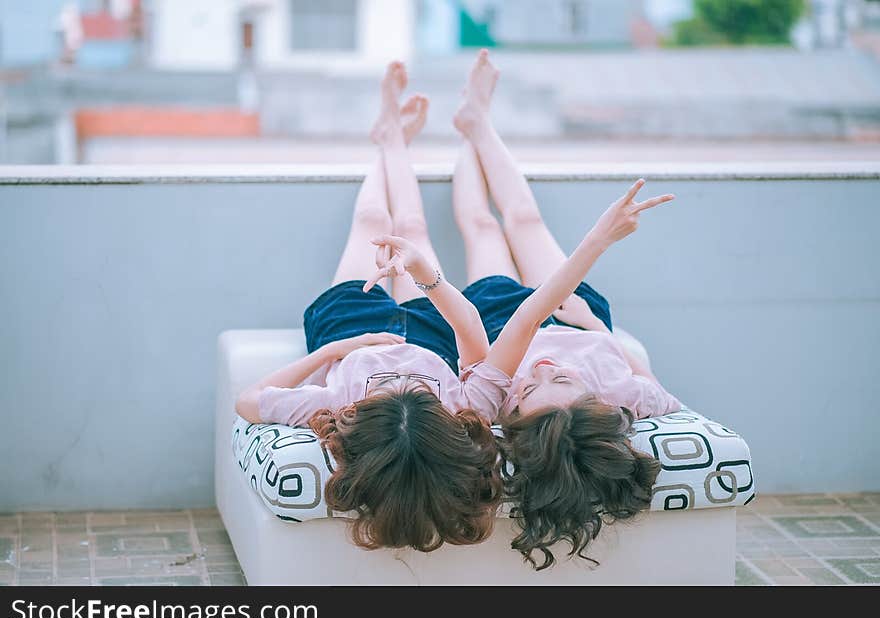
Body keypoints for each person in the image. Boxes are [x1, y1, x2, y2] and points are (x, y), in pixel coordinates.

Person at [235, 62, 509, 553]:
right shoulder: (461, 411)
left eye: (388, 391)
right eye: (415, 389)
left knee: (370, 219)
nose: (398, 379)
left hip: (350, 326)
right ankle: (395, 140)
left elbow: (249, 400)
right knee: (411, 228)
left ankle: (387, 138)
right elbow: (474, 341)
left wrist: (337, 350)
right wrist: (426, 277)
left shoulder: (336, 409)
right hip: (430, 333)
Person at [449, 49, 681, 570]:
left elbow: (522, 330)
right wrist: (600, 328)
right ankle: (478, 122)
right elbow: (659, 389)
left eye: (528, 388)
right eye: (560, 381)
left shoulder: (501, 407)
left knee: (484, 228)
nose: (542, 369)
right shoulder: (621, 399)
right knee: (525, 219)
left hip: (502, 323)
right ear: (597, 403)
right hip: (579, 313)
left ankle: (467, 135)